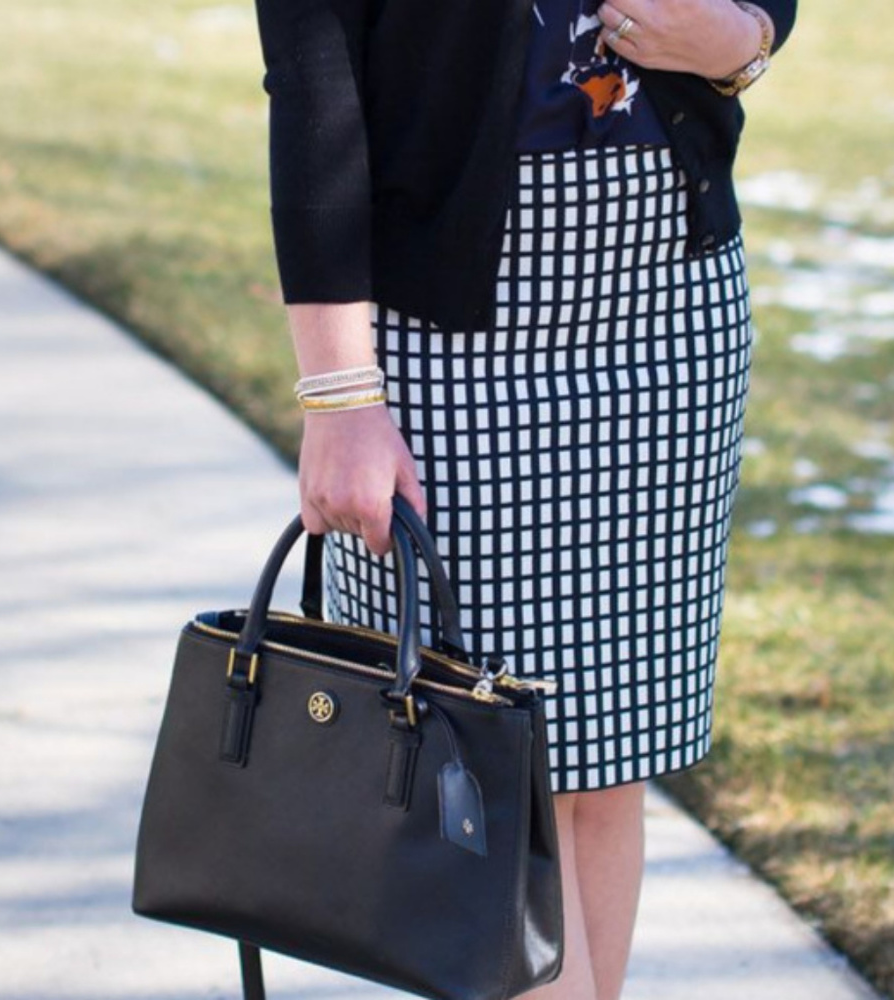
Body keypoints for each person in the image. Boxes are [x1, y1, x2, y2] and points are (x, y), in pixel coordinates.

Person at [252, 1, 797, 997]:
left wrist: (746, 35)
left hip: (668, 305)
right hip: (453, 332)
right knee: (489, 764)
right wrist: (337, 391)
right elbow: (314, 81)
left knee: (603, 757)